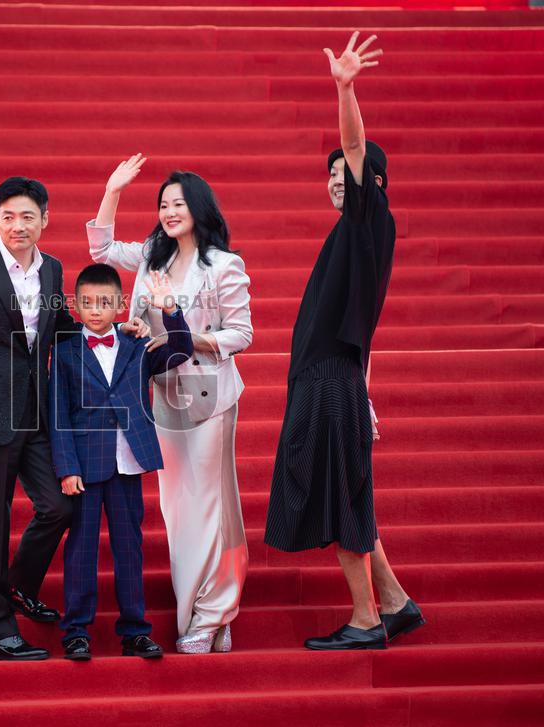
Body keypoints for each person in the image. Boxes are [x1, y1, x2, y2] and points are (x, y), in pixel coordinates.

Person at [0, 177, 148, 661]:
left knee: (59, 507)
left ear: (45, 220)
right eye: (8, 217)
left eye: (28, 217)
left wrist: (117, 329)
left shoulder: (51, 270)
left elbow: (62, 330)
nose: (18, 225)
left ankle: (16, 586)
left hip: (36, 417)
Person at [263, 32, 425, 650]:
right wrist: (366, 394)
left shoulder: (368, 219)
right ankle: (396, 604)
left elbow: (355, 145)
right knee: (350, 495)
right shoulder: (354, 240)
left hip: (329, 382)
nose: (336, 179)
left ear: (371, 182)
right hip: (340, 379)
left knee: (338, 501)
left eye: (345, 173)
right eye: (329, 174)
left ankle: (364, 621)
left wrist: (345, 88)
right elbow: (365, 332)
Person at [88, 160, 253, 653]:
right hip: (163, 396)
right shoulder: (151, 257)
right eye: (163, 205)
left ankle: (209, 614)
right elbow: (101, 250)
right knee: (178, 508)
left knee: (210, 504)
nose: (169, 212)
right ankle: (210, 609)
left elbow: (241, 334)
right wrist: (113, 190)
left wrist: (184, 333)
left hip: (209, 396)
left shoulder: (223, 265)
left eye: (178, 203)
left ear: (199, 208)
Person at [49, 264, 193, 660]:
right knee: (81, 549)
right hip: (85, 466)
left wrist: (169, 309)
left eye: (105, 303)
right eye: (88, 303)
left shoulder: (136, 345)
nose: (96, 310)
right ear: (76, 305)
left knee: (130, 548)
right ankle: (76, 631)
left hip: (128, 462)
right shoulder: (64, 352)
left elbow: (181, 350)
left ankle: (135, 631)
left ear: (120, 305)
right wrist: (66, 468)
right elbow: (57, 414)